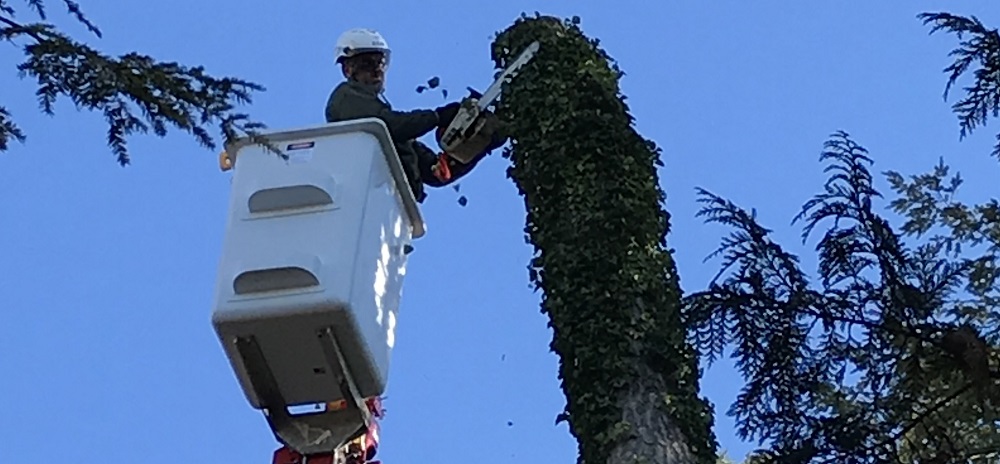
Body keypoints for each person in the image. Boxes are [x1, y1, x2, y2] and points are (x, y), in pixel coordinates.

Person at [324, 28, 505, 203]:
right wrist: (437, 117)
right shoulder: (346, 97)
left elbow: (436, 172)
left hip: (393, 206)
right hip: (367, 191)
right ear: (348, 69)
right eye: (367, 64)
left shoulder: (396, 141)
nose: (377, 70)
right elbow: (390, 124)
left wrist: (479, 144)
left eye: (380, 63)